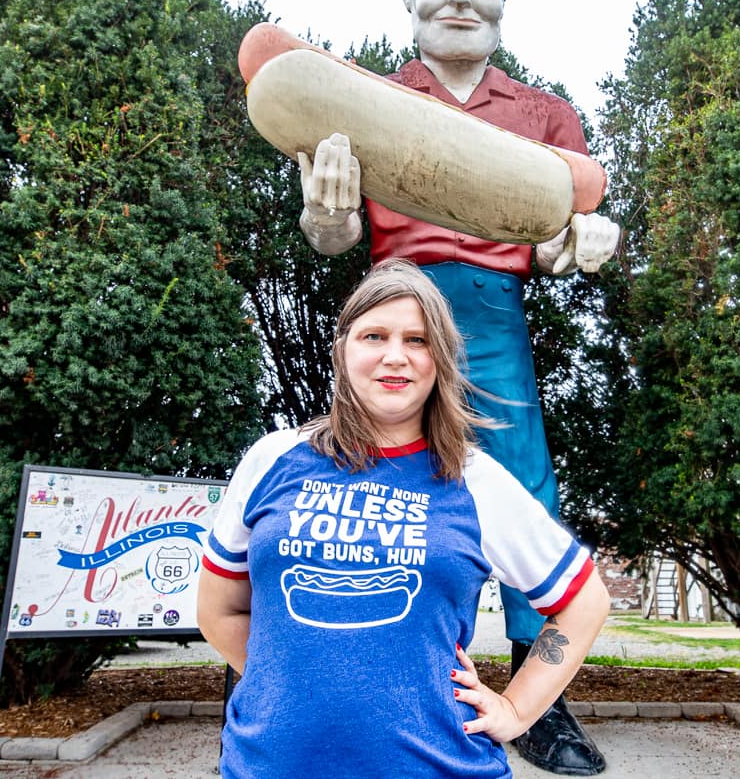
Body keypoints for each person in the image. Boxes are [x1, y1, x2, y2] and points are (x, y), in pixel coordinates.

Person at [295, 0, 620, 774]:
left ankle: (537, 703)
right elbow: (333, 238)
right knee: (376, 482)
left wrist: (581, 241)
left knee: (520, 481)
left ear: (505, 2)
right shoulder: (363, 97)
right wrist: (325, 212)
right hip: (397, 298)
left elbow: (559, 237)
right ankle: (378, 679)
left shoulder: (546, 114)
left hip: (492, 310)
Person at [198, 259, 610, 779]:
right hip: (266, 767)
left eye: (418, 340)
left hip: (439, 765)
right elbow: (219, 611)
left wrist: (517, 710)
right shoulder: (272, 458)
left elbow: (584, 601)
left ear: (440, 359)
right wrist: (283, 681)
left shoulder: (476, 480)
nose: (396, 357)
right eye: (375, 335)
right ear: (344, 347)